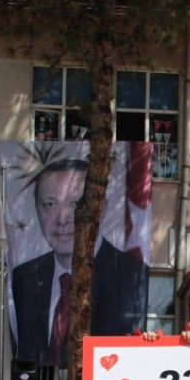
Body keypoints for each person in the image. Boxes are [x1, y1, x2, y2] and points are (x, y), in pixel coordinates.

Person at [10, 155, 147, 366]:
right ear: (36, 209)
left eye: (76, 203)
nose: (63, 219)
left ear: (102, 208)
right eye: (50, 204)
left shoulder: (131, 275)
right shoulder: (25, 277)